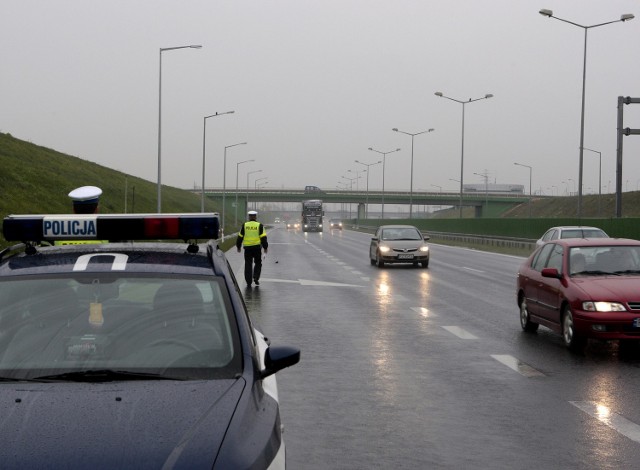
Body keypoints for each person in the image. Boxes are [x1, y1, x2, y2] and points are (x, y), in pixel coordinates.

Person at [236, 210, 268, 286]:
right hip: (257, 248)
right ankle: (256, 277)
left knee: (248, 264)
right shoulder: (259, 225)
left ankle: (248, 281)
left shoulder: (245, 225)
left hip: (247, 248)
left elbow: (240, 236)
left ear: (249, 217)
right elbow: (263, 238)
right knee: (258, 263)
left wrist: (238, 246)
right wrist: (265, 247)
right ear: (255, 217)